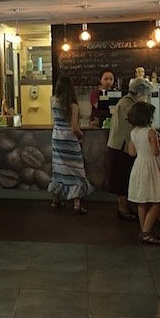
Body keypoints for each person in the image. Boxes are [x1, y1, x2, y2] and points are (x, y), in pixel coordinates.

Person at [106, 77, 154, 221]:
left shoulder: (127, 102)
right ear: (140, 92)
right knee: (121, 178)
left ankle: (125, 207)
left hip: (122, 145)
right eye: (146, 94)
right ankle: (123, 209)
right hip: (121, 146)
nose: (146, 98)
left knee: (124, 177)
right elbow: (137, 120)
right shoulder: (128, 104)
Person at [47, 75, 93, 214]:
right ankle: (77, 203)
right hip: (69, 140)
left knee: (58, 168)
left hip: (56, 137)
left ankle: (56, 200)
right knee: (76, 169)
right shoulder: (73, 106)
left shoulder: (54, 101)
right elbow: (74, 127)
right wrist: (81, 134)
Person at [126, 100, 160, 245]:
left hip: (139, 166)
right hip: (151, 167)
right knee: (158, 200)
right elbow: (155, 152)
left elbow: (131, 152)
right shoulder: (151, 131)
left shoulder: (134, 132)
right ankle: (146, 232)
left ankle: (144, 229)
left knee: (142, 201)